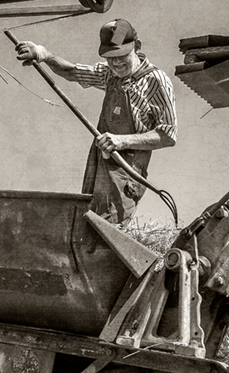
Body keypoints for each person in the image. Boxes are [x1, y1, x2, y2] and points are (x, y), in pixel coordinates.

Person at [15, 19, 177, 224]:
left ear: (137, 46)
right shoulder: (110, 75)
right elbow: (73, 72)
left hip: (125, 170)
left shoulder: (156, 81)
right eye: (110, 58)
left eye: (121, 56)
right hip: (99, 163)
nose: (116, 64)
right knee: (86, 220)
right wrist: (44, 55)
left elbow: (168, 135)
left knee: (107, 227)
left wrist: (122, 141)